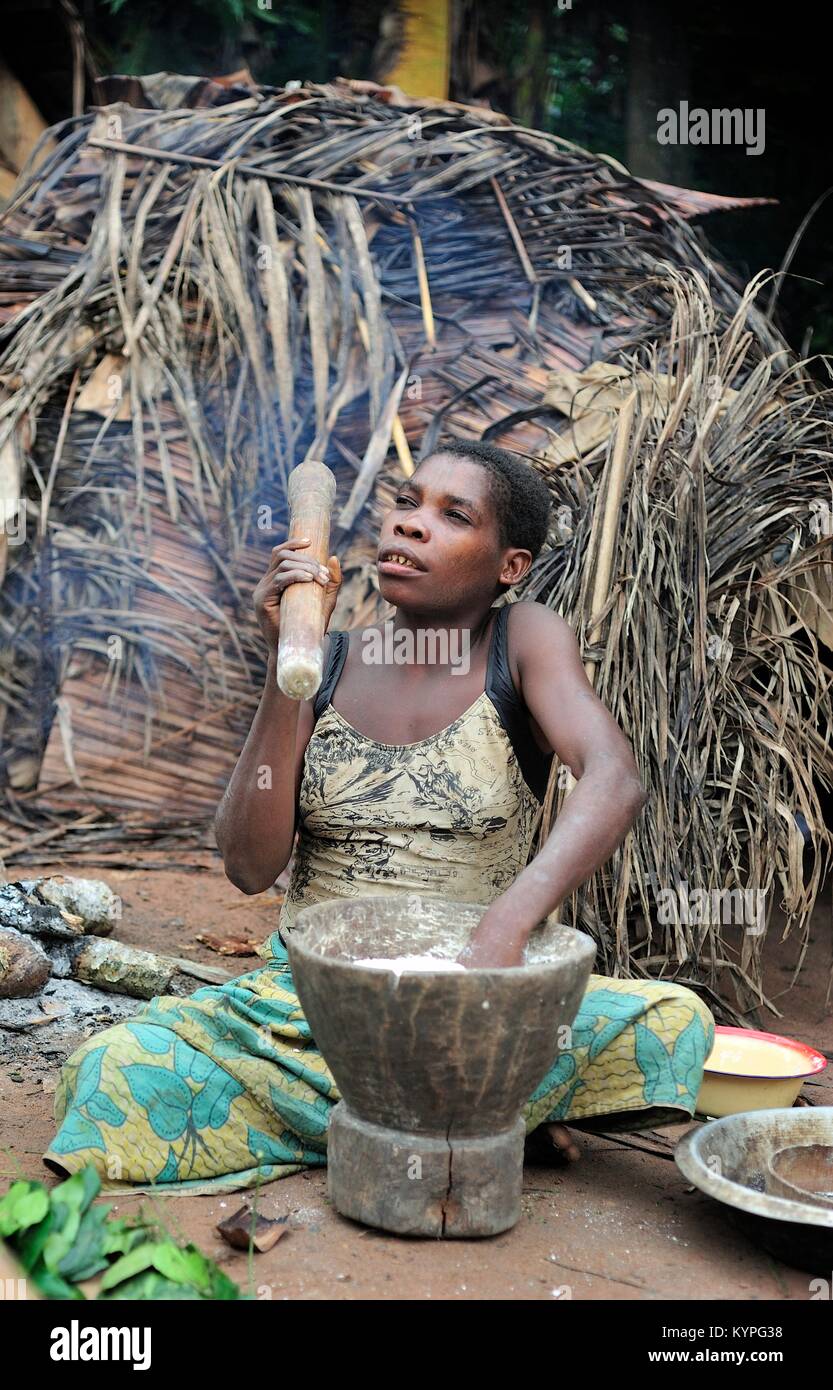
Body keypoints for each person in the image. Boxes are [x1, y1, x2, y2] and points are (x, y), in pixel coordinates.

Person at [44, 440, 714, 1195]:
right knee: (111, 1068)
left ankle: (392, 1115)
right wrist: (284, 662)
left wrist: (502, 931)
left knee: (671, 1021)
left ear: (510, 566)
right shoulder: (322, 661)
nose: (411, 525)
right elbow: (248, 865)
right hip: (309, 1012)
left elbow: (612, 778)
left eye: (452, 515)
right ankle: (466, 1118)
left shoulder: (522, 641)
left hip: (475, 1002)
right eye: (406, 503)